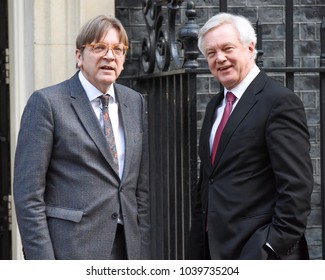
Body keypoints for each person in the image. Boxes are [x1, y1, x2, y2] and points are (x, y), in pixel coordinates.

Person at [13, 15, 150, 260]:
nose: (110, 56)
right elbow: (28, 195)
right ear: (79, 56)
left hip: (127, 250)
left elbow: (141, 190)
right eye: (99, 47)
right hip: (71, 250)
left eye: (118, 49)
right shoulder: (48, 103)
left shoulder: (134, 102)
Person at [188, 13, 313, 260]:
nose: (219, 58)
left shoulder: (278, 101)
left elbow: (296, 187)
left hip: (260, 255)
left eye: (227, 48)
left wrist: (270, 246)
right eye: (211, 53)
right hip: (215, 252)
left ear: (250, 48)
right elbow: (209, 182)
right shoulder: (216, 105)